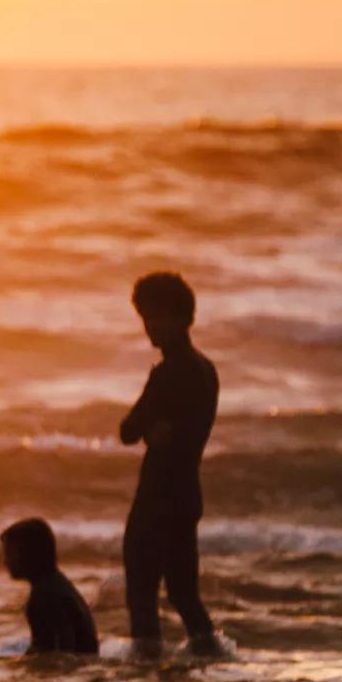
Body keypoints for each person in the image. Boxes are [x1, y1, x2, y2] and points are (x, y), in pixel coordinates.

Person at [119, 273, 221, 658]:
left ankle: (146, 668)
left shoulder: (167, 373)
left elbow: (127, 430)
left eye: (157, 317)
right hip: (187, 490)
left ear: (182, 318)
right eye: (146, 317)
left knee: (141, 591)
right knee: (183, 594)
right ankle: (212, 656)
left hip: (158, 493)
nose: (150, 327)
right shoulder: (206, 370)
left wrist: (147, 429)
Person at [1, 518, 100, 656]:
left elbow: (59, 656)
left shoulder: (44, 596)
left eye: (9, 553)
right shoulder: (57, 584)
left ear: (27, 553)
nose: (5, 561)